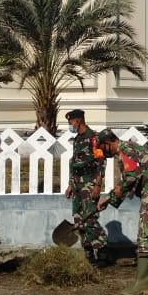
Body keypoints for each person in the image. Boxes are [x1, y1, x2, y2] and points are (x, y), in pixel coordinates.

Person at [95, 129, 148, 295]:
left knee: (147, 237)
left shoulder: (125, 150)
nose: (103, 152)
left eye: (103, 148)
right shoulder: (127, 149)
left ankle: (142, 284)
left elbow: (131, 177)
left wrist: (109, 197)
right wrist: (110, 199)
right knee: (146, 235)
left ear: (109, 142)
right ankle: (143, 281)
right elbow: (131, 180)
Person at [63, 109, 109, 267]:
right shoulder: (77, 139)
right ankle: (89, 253)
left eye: (71, 122)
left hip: (89, 183)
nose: (70, 125)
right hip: (77, 184)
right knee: (78, 219)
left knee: (90, 218)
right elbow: (73, 163)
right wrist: (70, 184)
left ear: (78, 121)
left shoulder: (93, 137)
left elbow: (101, 162)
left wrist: (98, 184)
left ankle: (102, 251)